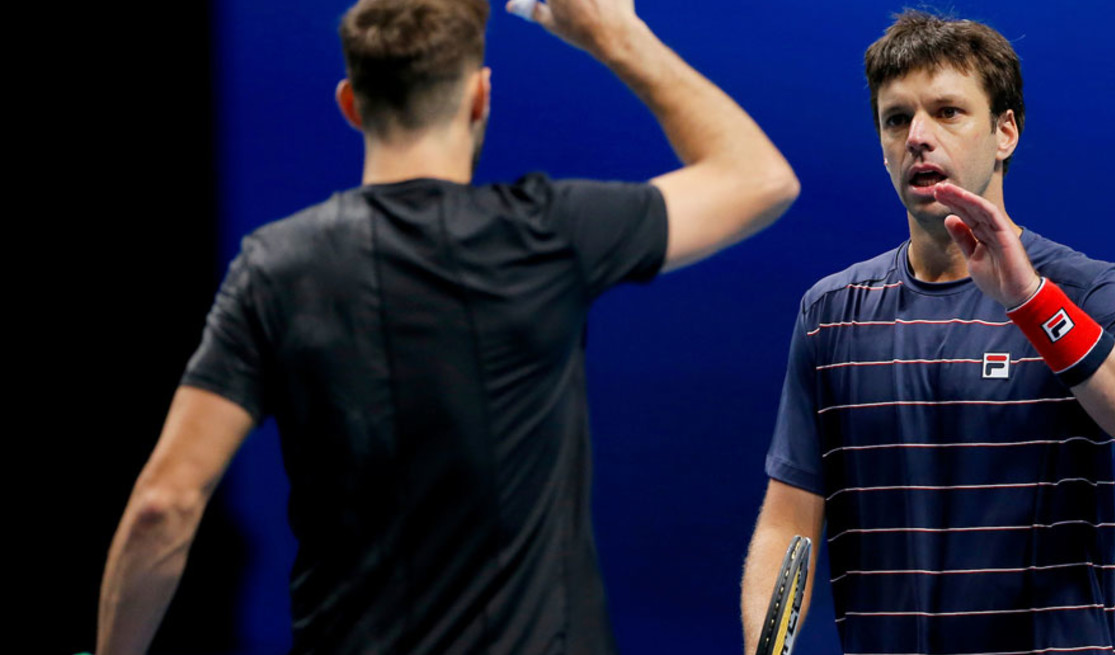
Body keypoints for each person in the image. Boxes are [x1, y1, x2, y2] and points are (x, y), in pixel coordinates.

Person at [96, 0, 799, 652]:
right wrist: (617, 36)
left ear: (351, 104)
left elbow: (164, 503)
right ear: (480, 97)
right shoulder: (547, 234)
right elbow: (760, 179)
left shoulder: (273, 267)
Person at [741, 10, 1115, 655]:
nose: (918, 137)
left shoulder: (1084, 290)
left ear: (1005, 131)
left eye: (948, 112)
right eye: (896, 119)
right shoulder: (831, 313)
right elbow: (789, 521)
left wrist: (1031, 302)